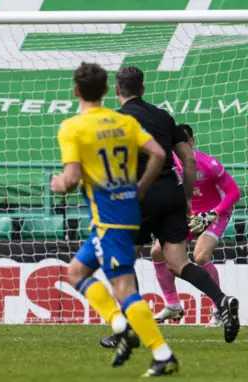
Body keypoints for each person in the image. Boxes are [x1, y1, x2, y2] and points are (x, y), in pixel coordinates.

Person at [52, 62, 178, 377]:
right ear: (108, 90)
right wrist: (141, 187)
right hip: (124, 211)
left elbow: (71, 178)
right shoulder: (123, 122)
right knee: (77, 271)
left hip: (109, 219)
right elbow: (160, 154)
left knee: (122, 286)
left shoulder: (72, 127)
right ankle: (121, 325)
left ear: (76, 91)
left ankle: (162, 353)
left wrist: (60, 185)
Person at [99, 66, 239, 348]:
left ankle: (130, 330)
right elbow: (187, 160)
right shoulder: (164, 116)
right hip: (170, 193)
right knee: (178, 262)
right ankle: (222, 301)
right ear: (144, 89)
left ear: (117, 90)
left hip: (138, 194)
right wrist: (186, 198)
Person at [152, 124, 241, 326]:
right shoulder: (169, 162)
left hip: (216, 213)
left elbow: (234, 193)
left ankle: (220, 310)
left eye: (182, 142)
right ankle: (173, 305)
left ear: (191, 142)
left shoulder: (209, 164)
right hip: (189, 215)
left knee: (200, 256)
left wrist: (212, 214)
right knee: (157, 251)